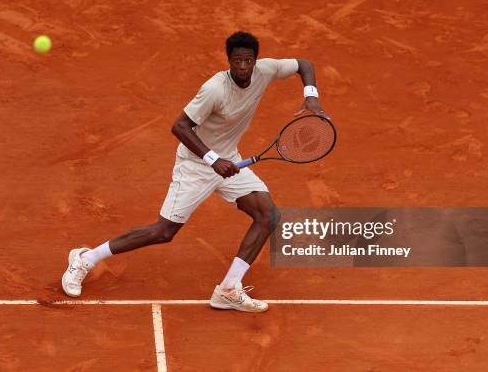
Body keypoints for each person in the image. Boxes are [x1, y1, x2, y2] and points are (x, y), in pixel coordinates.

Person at [61, 31, 326, 312]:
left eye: (249, 60)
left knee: (268, 214)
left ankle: (228, 289)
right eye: (237, 61)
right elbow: (180, 126)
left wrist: (311, 94)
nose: (244, 67)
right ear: (229, 61)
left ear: (256, 60)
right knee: (164, 231)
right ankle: (85, 258)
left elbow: (304, 63)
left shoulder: (267, 69)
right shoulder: (215, 89)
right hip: (196, 165)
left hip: (229, 160)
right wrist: (213, 159)